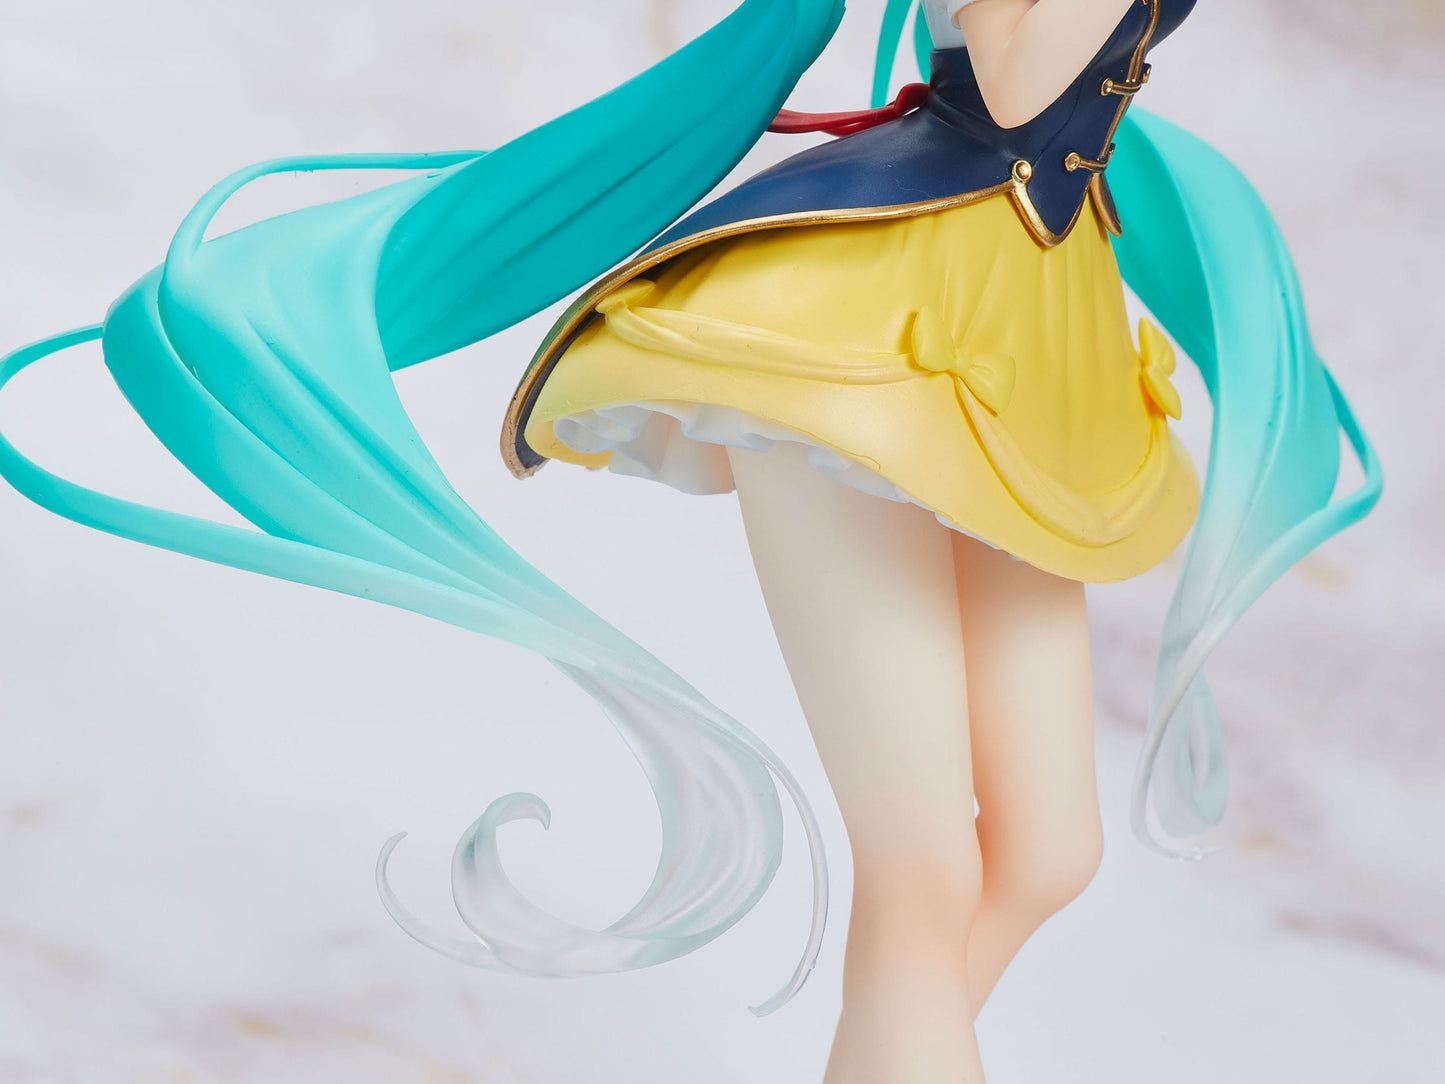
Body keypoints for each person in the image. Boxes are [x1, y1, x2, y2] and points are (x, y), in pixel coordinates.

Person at [0, 2, 1381, 1081]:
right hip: (855, 338)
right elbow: (1016, 76)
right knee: (923, 873)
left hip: (1029, 322)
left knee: (1044, 852)